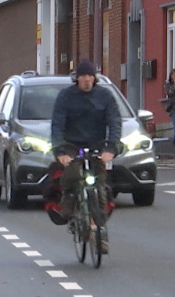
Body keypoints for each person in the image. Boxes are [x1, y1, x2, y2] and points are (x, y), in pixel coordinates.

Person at [45, 59, 121, 251]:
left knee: (100, 186)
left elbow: (114, 122)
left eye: (90, 76)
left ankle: (99, 229)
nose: (87, 80)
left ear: (94, 78)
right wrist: (60, 150)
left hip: (98, 146)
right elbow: (58, 125)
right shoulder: (65, 97)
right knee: (71, 177)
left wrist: (110, 148)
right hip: (72, 146)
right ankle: (71, 211)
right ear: (77, 78)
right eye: (83, 76)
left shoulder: (105, 96)